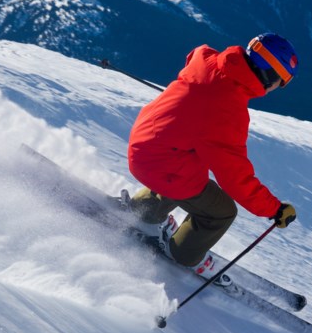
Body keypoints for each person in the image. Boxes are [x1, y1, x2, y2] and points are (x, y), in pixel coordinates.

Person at [126, 33, 299, 280]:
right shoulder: (228, 112)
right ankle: (183, 254)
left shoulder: (208, 58)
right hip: (160, 162)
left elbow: (193, 58)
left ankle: (145, 212)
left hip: (143, 142)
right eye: (282, 81)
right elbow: (235, 177)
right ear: (269, 74)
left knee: (192, 171)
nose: (278, 88)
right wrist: (274, 209)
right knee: (221, 210)